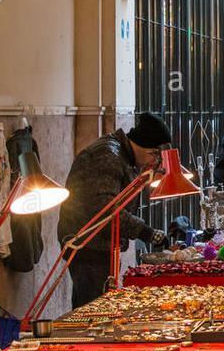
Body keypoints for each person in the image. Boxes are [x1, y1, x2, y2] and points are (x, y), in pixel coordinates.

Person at [58, 113, 171, 308]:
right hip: (87, 243)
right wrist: (146, 232)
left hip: (101, 243)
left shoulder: (122, 155)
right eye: (153, 155)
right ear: (142, 145)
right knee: (92, 307)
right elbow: (104, 209)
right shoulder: (107, 157)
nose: (151, 161)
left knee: (102, 302)